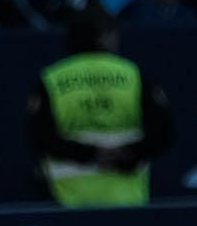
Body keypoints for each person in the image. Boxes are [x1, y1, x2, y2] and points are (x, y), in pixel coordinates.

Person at [27, 11, 175, 207]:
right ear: (104, 36)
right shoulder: (133, 75)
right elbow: (162, 132)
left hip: (67, 199)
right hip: (127, 197)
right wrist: (127, 154)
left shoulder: (51, 79)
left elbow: (40, 137)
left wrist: (90, 154)